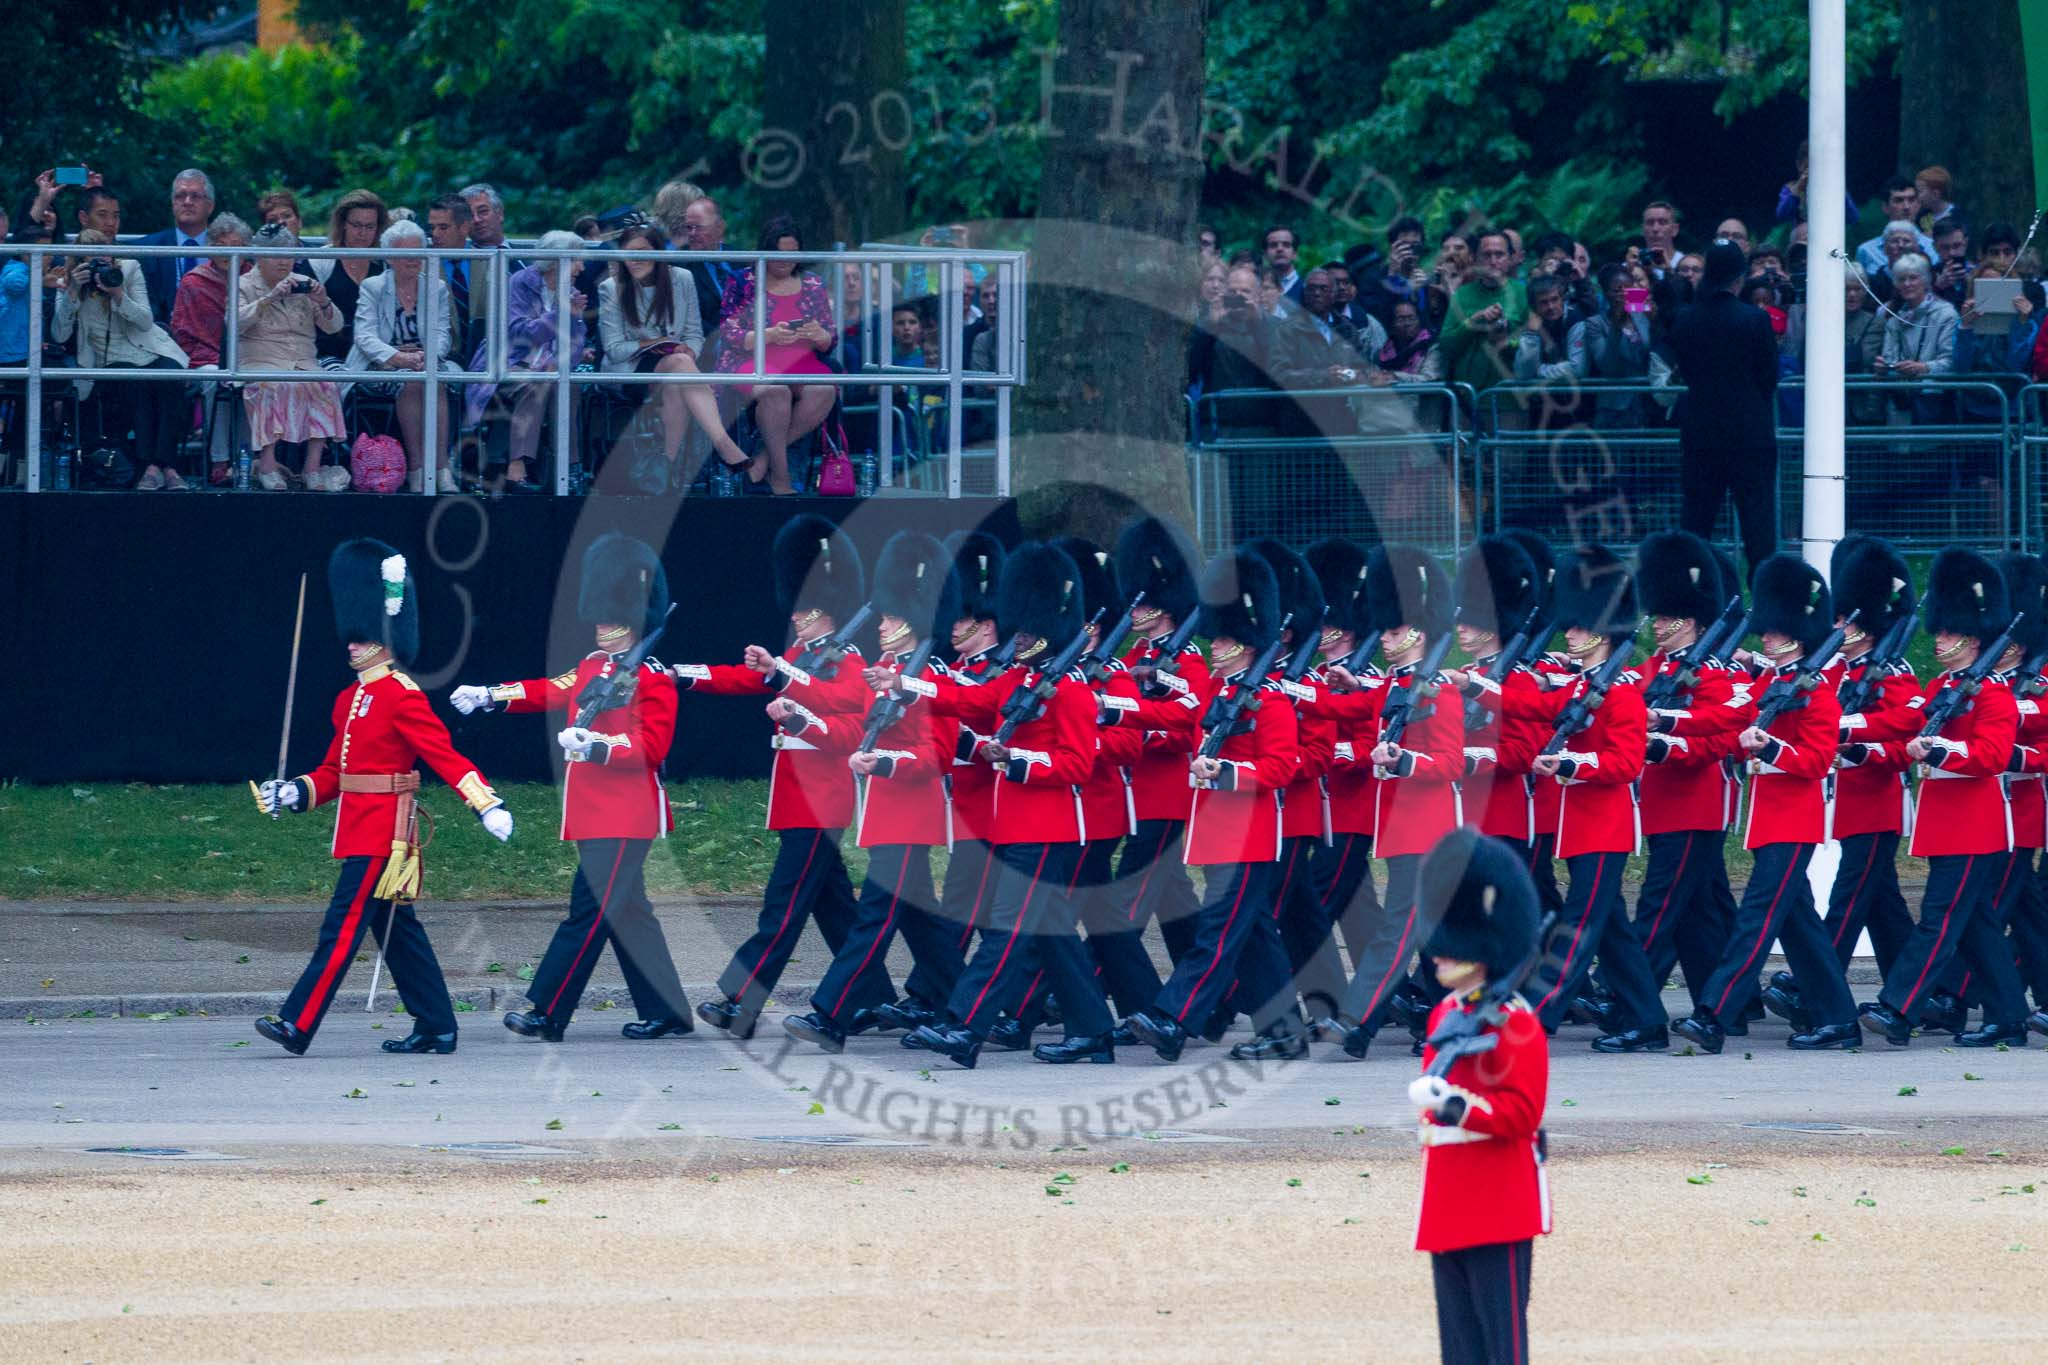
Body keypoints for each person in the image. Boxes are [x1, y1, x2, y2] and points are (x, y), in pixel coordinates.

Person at [251, 540, 514, 1057]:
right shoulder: (350, 699)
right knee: (398, 935)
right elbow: (333, 773)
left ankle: (297, 1023)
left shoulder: (402, 695)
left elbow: (443, 755)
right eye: (352, 636)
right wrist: (293, 793)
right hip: (357, 827)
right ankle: (437, 1026)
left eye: (364, 636)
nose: (352, 645)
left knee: (342, 927)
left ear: (387, 639)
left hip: (386, 835)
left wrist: (485, 803)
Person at [451, 533, 693, 1041]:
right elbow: (551, 689)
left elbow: (653, 747)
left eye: (610, 616)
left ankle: (546, 1008)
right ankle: (669, 1011)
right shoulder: (592, 665)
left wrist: (598, 746)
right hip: (593, 811)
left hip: (627, 814)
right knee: (631, 915)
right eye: (600, 615)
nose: (601, 624)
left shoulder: (652, 677)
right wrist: (491, 696)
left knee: (587, 913)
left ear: (632, 615)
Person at [677, 517, 894, 1039]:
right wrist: (683, 674)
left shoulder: (845, 660)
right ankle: (875, 999)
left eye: (808, 609)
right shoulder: (800, 657)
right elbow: (746, 677)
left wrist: (789, 688)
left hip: (823, 799)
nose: (797, 617)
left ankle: (740, 1002)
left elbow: (847, 719)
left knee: (783, 909)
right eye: (796, 607)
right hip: (799, 797)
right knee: (836, 908)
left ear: (830, 611)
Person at [904, 542, 1114, 1068]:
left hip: (1049, 830)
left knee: (1006, 929)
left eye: (1025, 632)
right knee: (1054, 934)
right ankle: (1094, 1031)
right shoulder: (1021, 678)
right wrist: (905, 684)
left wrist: (1014, 759)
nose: (1016, 638)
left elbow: (1077, 765)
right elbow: (968, 700)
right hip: (1016, 825)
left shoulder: (1070, 690)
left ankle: (963, 1026)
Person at [782, 531, 966, 1053]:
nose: (880, 625)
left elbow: (937, 755)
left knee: (874, 916)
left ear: (909, 620)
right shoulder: (883, 674)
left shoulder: (931, 677)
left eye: (887, 618)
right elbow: (847, 735)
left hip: (911, 813)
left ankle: (831, 1014)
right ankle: (972, 1009)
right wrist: (802, 717)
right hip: (884, 812)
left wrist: (886, 761)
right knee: (923, 924)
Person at [1668, 555, 1860, 1053]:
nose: (1765, 638)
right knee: (1801, 928)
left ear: (1797, 634)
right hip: (1767, 818)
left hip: (1794, 820)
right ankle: (1839, 1020)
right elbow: (1725, 719)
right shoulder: (1769, 684)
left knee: (1755, 919)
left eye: (1774, 633)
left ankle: (1713, 1014)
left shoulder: (1816, 692)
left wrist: (1772, 748)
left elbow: (1818, 760)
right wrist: (1667, 722)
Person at [1478, 546, 1667, 1049]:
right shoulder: (1583, 686)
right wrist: (1475, 689)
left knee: (1578, 926)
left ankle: (1537, 1018)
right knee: (1613, 932)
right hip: (1578, 826)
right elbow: (1533, 704)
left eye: (1580, 629)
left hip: (1604, 827)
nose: (1570, 633)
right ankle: (1648, 1020)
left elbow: (1626, 765)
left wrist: (1569, 764)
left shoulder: (1622, 694)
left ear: (1602, 634)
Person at [1124, 546, 1302, 1063]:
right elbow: (1179, 718)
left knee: (1218, 931)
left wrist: (1225, 772)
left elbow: (1281, 768)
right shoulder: (1219, 692)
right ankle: (1284, 1028)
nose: (1216, 644)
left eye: (1225, 638)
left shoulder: (1270, 700)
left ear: (1247, 646)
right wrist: (1117, 705)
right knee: (1254, 937)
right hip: (1216, 830)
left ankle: (1174, 1017)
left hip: (1250, 831)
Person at [1861, 550, 2028, 1048]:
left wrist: (1942, 748)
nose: (1939, 640)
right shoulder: (1942, 685)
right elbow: (1901, 724)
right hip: (1945, 824)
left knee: (1938, 920)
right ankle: (2009, 1018)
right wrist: (1849, 732)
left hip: (1975, 826)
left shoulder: (1995, 696)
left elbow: (1992, 755)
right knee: (1976, 925)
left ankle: (1899, 1008)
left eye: (1947, 634)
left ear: (1972, 639)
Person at [1406, 828, 1550, 1365]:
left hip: (1498, 1199)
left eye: (1450, 946)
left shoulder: (1514, 1023)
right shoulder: (1445, 1015)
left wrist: (1457, 1106)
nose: (1438, 956)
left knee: (1501, 1346)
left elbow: (1522, 1113)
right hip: (1448, 1195)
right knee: (1459, 1347)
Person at [1325, 546, 1465, 1058]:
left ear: (1416, 633)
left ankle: (1357, 1021)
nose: (1382, 639)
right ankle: (1452, 1025)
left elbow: (1450, 762)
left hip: (1428, 830)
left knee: (1396, 930)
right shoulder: (1394, 684)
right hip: (1403, 826)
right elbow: (1365, 702)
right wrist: (1326, 689)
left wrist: (1405, 761)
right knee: (1436, 940)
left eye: (1390, 632)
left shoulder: (1441, 690)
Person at [1622, 531, 1743, 1018]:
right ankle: (1729, 1005)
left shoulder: (1714, 674)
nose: (1658, 624)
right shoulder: (1651, 669)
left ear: (1691, 621)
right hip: (1660, 803)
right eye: (1657, 615)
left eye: (1668, 617)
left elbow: (1723, 734)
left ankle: (1630, 1003)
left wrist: (1667, 737)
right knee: (1700, 913)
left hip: (1694, 804)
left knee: (1659, 907)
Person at [1097, 518, 1210, 995]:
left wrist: (1136, 727)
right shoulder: (1132, 657)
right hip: (1136, 792)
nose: (1134, 610)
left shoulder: (1190, 662)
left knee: (1128, 899)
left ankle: (1096, 983)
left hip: (1167, 794)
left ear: (1163, 608)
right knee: (1172, 899)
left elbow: (1192, 725)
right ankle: (1210, 991)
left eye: (1143, 603)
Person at [599, 220, 749, 484]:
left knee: (677, 382)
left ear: (658, 254)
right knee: (679, 365)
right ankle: (723, 443)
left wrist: (690, 352)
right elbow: (614, 351)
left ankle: (665, 470)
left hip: (676, 367)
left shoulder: (682, 278)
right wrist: (656, 343)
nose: (635, 260)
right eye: (629, 254)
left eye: (644, 253)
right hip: (628, 369)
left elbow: (694, 333)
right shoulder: (611, 287)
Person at [52, 228, 190, 490]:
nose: (99, 266)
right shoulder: (71, 283)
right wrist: (72, 291)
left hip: (150, 348)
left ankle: (166, 466)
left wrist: (118, 293)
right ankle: (150, 467)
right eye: (91, 261)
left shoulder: (129, 269)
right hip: (110, 358)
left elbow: (146, 320)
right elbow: (59, 335)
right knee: (134, 383)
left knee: (171, 379)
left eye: (104, 259)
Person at [1672, 241, 1781, 574]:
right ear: (1740, 277)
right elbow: (1769, 377)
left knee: (1697, 520)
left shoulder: (1685, 319)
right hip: (1750, 432)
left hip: (1701, 431)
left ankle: (1690, 597)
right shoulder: (1755, 320)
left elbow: (1686, 371)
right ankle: (1764, 599)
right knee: (1757, 522)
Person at [715, 215, 836, 496]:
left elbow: (830, 339)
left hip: (800, 360)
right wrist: (768, 335)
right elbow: (728, 334)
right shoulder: (742, 281)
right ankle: (781, 477)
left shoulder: (813, 284)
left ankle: (762, 460)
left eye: (792, 254)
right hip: (750, 359)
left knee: (825, 390)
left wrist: (820, 335)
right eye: (778, 253)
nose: (785, 260)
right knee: (775, 391)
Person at [462, 229, 588, 492]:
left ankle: (568, 467)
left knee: (570, 386)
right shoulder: (519, 282)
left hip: (549, 369)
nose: (582, 267)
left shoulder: (572, 291)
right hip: (507, 364)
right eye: (577, 259)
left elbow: (577, 343)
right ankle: (516, 466)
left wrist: (556, 362)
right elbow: (521, 333)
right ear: (556, 260)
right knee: (536, 384)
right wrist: (561, 313)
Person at [348, 219, 458, 492]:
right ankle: (417, 467)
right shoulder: (373, 286)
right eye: (405, 253)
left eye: (418, 252)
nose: (413, 259)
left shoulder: (437, 288)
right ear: (390, 257)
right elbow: (364, 337)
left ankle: (441, 468)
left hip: (426, 360)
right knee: (410, 381)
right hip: (382, 364)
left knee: (436, 380)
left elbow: (443, 332)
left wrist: (429, 357)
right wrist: (398, 358)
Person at [238, 224, 348, 491]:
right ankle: (267, 465)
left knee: (324, 384)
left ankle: (311, 468)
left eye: (289, 255)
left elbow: (334, 328)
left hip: (303, 362)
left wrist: (323, 301)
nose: (285, 261)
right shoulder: (243, 283)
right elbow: (236, 323)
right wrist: (269, 297)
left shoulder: (302, 281)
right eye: (277, 255)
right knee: (271, 386)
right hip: (261, 361)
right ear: (259, 257)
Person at [1439, 230, 1525, 414]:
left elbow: (1533, 346)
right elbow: (1445, 344)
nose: (1493, 261)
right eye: (1486, 255)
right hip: (1467, 400)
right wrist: (1474, 322)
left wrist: (1505, 338)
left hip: (1509, 401)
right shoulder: (1462, 294)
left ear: (1510, 258)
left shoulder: (1524, 294)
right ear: (1476, 259)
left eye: (1499, 254)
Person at [1874, 254, 1958, 425]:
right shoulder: (1894, 319)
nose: (1907, 284)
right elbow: (1889, 359)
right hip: (1900, 404)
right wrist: (1884, 367)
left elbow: (1952, 362)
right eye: (1901, 279)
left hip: (1934, 403)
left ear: (1926, 281)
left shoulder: (1946, 314)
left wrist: (1923, 368)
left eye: (1913, 278)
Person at [1569, 263, 1657, 428]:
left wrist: (1655, 323)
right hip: (1614, 408)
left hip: (1646, 403)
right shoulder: (1595, 324)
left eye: (1627, 289)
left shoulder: (1644, 317)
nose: (1623, 295)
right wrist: (1616, 327)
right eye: (1617, 290)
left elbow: (1653, 355)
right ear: (1606, 293)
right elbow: (1607, 366)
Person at [135, 168, 214, 327]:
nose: (187, 202)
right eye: (180, 196)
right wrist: (94, 193)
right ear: (173, 204)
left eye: (195, 196)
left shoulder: (224, 248)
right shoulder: (148, 247)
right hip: (164, 337)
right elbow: (105, 244)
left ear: (210, 206)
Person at [1856, 176, 1935, 277]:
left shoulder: (1932, 247)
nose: (1906, 207)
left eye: (1911, 200)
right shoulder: (1866, 251)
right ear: (1885, 207)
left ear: (1918, 205)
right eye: (1899, 200)